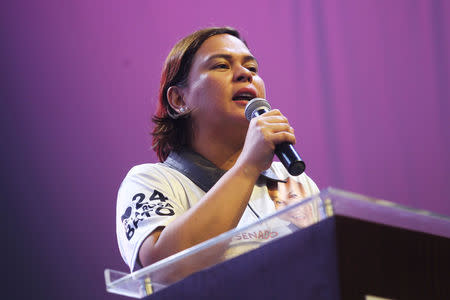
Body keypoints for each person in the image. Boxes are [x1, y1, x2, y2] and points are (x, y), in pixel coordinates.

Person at [116, 27, 320, 273]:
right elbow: (165, 271)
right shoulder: (150, 181)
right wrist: (248, 166)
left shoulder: (292, 181)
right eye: (222, 65)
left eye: (252, 68)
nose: (245, 74)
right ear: (179, 100)